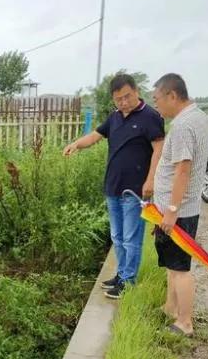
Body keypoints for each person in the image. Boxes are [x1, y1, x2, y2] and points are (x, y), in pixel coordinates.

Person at [64, 73, 165, 299]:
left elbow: (159, 148)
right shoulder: (115, 118)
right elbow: (95, 136)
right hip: (113, 188)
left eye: (127, 97)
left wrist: (151, 180)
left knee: (131, 238)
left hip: (135, 190)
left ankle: (128, 281)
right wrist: (76, 144)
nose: (123, 102)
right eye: (118, 99)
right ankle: (120, 275)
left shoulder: (151, 117)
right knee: (117, 236)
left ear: (136, 92)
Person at [151, 73, 208, 336]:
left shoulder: (183, 126)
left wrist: (172, 212)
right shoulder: (197, 116)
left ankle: (184, 322)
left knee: (180, 268)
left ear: (172, 96)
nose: (157, 106)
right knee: (172, 266)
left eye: (157, 100)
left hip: (179, 212)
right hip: (179, 209)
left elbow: (182, 171)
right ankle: (170, 307)